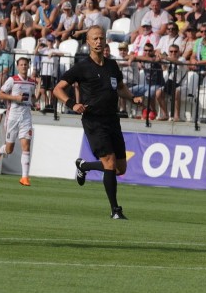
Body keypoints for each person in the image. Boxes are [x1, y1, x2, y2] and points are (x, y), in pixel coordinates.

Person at [53, 26, 144, 220]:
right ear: (88, 41)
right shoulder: (82, 67)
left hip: (113, 120)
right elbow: (58, 89)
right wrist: (72, 103)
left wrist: (132, 98)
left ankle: (84, 166)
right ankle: (115, 210)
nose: (98, 41)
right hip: (94, 121)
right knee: (109, 163)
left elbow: (120, 87)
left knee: (120, 168)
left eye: (101, 38)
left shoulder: (112, 65)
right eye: (94, 38)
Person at [0, 57, 36, 186]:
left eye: (26, 64)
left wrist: (35, 100)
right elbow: (0, 94)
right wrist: (15, 98)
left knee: (26, 145)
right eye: (21, 65)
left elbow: (33, 98)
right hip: (13, 116)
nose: (24, 67)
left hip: (26, 116)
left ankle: (25, 177)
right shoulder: (12, 80)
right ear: (17, 67)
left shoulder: (32, 83)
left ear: (28, 66)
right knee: (10, 149)